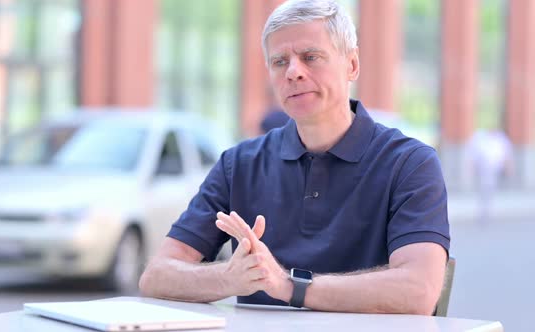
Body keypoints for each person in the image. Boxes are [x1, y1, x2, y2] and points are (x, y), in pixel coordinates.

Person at [140, 0, 449, 315]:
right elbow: (157, 276)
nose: (293, 72)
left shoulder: (410, 163)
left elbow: (418, 291)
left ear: (352, 65)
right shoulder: (239, 164)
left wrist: (287, 284)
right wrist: (230, 278)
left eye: (310, 57)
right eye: (279, 61)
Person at [468, 128, 513, 224]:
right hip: (483, 169)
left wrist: (508, 167)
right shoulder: (480, 138)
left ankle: (487, 209)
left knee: (490, 188)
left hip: (495, 168)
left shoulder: (501, 138)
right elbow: (473, 154)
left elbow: (506, 154)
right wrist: (471, 168)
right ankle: (484, 210)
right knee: (484, 188)